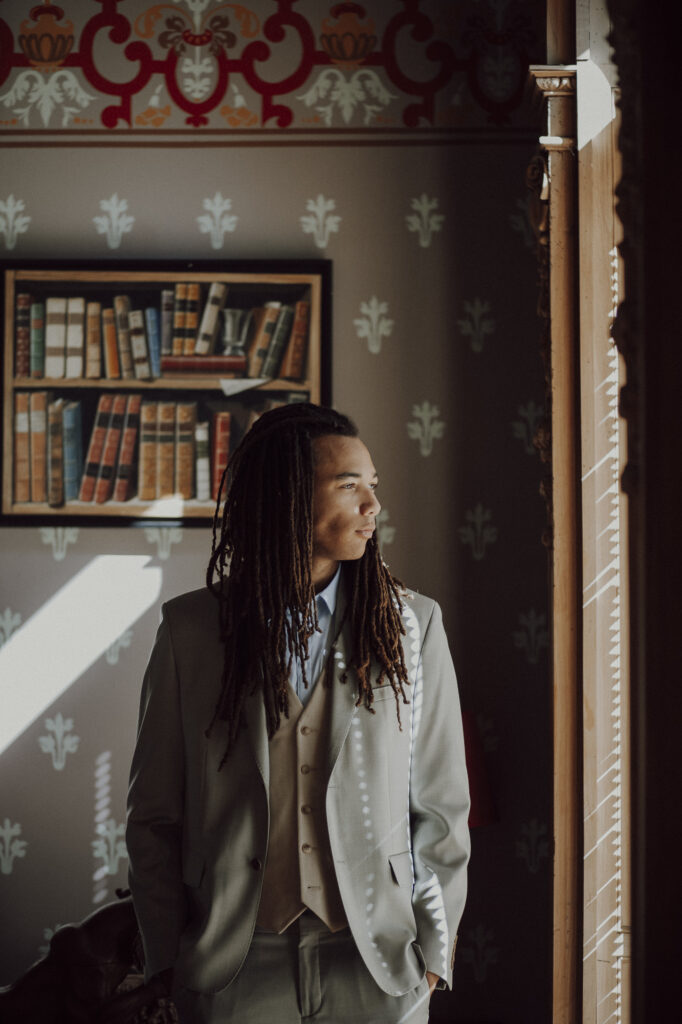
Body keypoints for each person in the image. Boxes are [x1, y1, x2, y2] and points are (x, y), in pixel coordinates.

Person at [126, 402, 470, 1023]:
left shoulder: (411, 626)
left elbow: (441, 808)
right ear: (285, 497)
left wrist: (433, 957)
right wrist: (168, 960)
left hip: (378, 963)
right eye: (349, 485)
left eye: (372, 485)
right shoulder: (190, 631)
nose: (373, 505)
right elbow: (153, 815)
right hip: (232, 964)